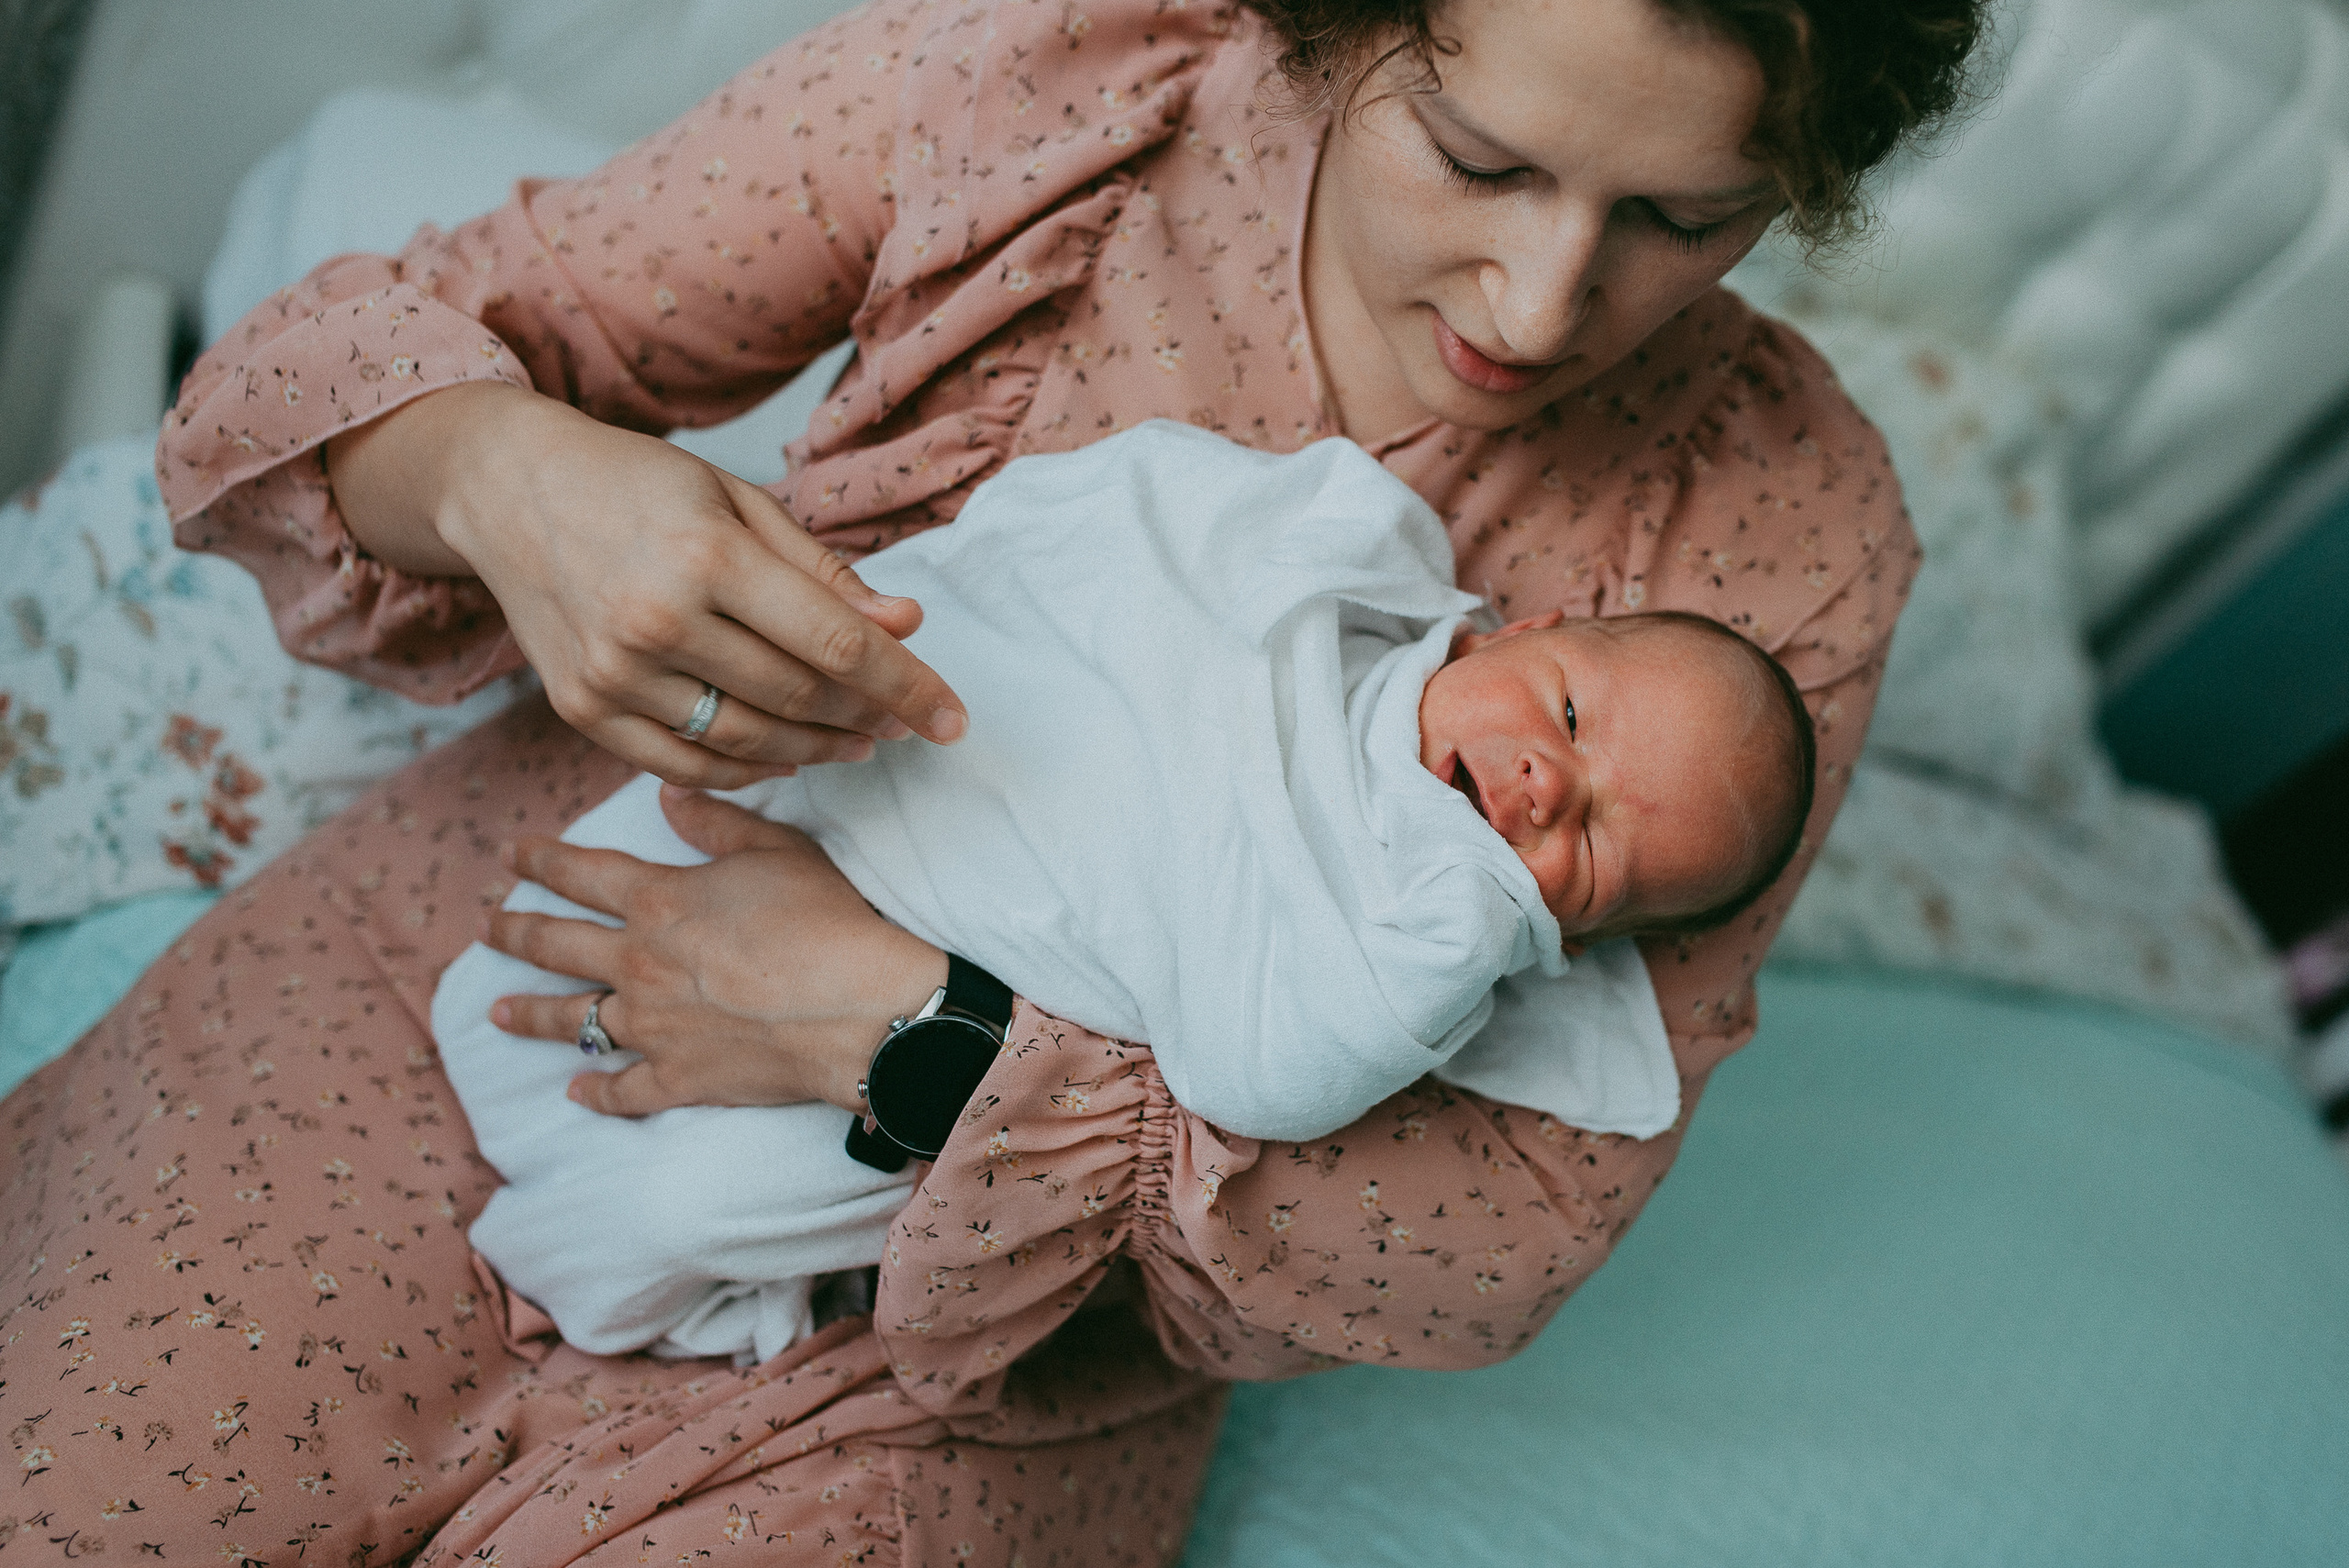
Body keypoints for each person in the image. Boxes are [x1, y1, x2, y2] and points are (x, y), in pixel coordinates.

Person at [1, 0, 1977, 1558]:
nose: (1538, 304)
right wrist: (507, 478)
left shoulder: (1783, 525)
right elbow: (345, 370)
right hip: (534, 951)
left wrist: (925, 1041)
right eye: (1474, 156)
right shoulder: (1055, 83)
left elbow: (1497, 1229)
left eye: (1679, 220)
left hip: (1003, 1344)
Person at [430, 418, 1817, 1365]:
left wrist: (1478, 909)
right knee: (534, 956)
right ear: (1521, 629)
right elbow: (1109, 538)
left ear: (1571, 942)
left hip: (937, 1014)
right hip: (884, 801)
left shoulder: (1415, 949)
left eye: (1595, 850)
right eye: (1568, 713)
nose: (1537, 786)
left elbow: (1259, 1074)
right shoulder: (1328, 576)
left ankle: (598, 1273)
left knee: (691, 1203)